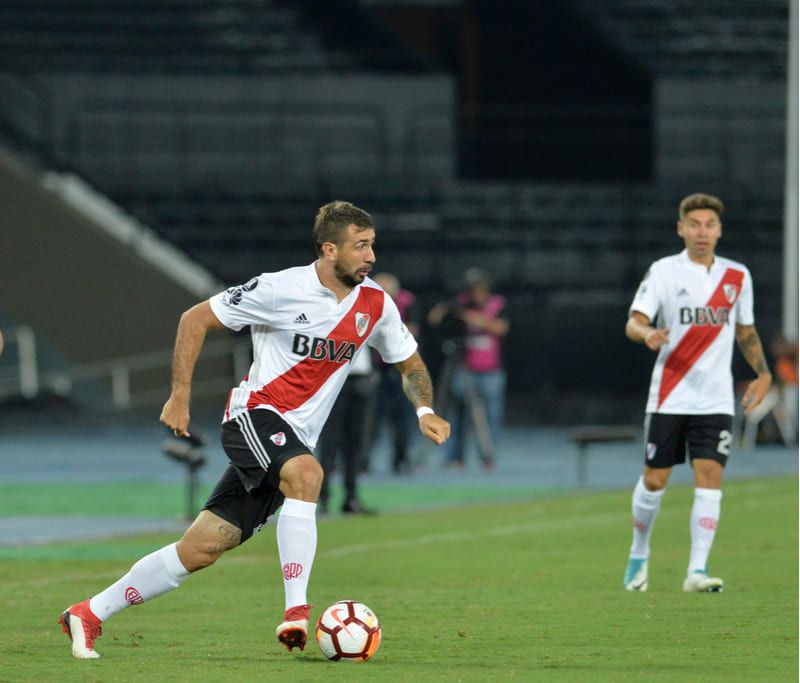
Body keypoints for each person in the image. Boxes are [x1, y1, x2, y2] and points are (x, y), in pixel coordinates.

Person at [58, 200, 451, 659]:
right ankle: (296, 610)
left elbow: (411, 365)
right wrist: (179, 396)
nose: (371, 257)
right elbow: (195, 319)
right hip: (255, 416)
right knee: (309, 476)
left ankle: (88, 612)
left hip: (293, 441)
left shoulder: (376, 305)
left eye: (372, 245)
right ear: (329, 249)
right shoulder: (279, 289)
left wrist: (425, 411)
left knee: (202, 547)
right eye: (360, 246)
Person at [622, 192, 772, 593]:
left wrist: (762, 372)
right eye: (694, 224)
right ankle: (639, 554)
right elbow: (633, 322)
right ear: (681, 229)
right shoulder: (664, 272)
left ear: (719, 230)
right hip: (670, 395)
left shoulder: (737, 276)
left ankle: (697, 571)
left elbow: (745, 329)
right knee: (655, 480)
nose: (702, 232)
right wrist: (648, 332)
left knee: (710, 476)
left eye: (709, 224)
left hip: (716, 398)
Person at [428, 268, 509, 469]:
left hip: (491, 370)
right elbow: (434, 319)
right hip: (465, 368)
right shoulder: (461, 303)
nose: (476, 294)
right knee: (458, 413)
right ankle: (455, 457)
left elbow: (500, 328)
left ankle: (487, 456)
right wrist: (448, 308)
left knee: (490, 416)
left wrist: (471, 317)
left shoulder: (497, 304)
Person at [317, 342, 377, 514]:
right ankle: (323, 498)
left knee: (356, 442)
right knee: (330, 442)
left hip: (362, 379)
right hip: (334, 378)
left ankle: (351, 497)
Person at [371, 273, 420, 474]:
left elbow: (412, 330)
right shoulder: (368, 302)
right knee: (372, 418)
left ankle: (401, 458)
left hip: (401, 368)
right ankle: (364, 459)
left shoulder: (407, 302)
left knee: (402, 418)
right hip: (376, 368)